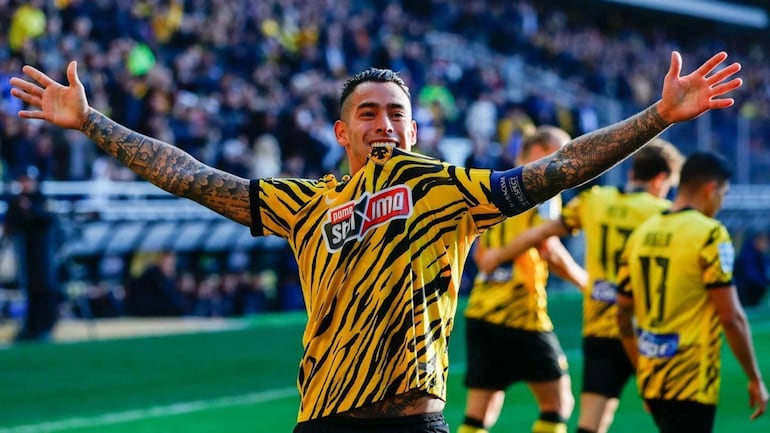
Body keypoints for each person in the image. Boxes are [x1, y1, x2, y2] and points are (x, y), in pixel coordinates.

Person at [9, 51, 741, 432]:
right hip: (322, 421)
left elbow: (553, 170)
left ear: (415, 129)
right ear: (341, 131)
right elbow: (194, 177)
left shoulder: (444, 188)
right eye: (368, 113)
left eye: (397, 113)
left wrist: (656, 117)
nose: (384, 124)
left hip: (411, 421)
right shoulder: (307, 203)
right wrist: (93, 122)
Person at [476, 138, 684, 433]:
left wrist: (497, 256)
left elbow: (542, 234)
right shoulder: (664, 216)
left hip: (600, 326)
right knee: (675, 417)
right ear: (661, 179)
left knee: (588, 425)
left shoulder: (595, 200)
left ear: (631, 173)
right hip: (649, 331)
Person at [616, 151, 768, 432]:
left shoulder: (641, 233)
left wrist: (643, 371)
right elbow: (730, 316)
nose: (721, 202)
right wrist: (755, 377)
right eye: (723, 193)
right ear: (711, 189)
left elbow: (623, 314)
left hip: (652, 374)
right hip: (691, 377)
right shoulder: (709, 233)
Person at [458, 126, 588, 433]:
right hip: (521, 312)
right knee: (558, 405)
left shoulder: (494, 189)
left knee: (479, 414)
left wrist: (497, 257)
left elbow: (479, 253)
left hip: (480, 311)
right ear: (538, 151)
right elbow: (548, 247)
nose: (564, 163)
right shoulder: (543, 190)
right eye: (559, 153)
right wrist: (586, 282)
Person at [3, 168, 61, 342]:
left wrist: (31, 209)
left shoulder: (41, 199)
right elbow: (10, 225)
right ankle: (29, 328)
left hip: (43, 254)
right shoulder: (17, 201)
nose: (25, 184)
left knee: (45, 289)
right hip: (24, 254)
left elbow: (49, 218)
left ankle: (45, 327)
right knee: (28, 291)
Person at [734, 230, 770, 308]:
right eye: (765, 242)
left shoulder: (761, 254)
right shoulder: (747, 254)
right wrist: (766, 281)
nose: (767, 245)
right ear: (758, 240)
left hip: (751, 290)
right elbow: (751, 276)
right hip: (743, 291)